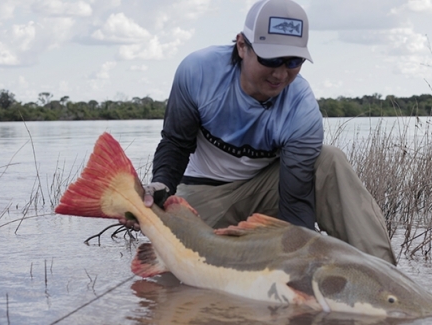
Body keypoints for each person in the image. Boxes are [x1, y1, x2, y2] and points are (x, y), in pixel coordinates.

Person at [129, 0, 397, 265]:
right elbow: (176, 143)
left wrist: (297, 260)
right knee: (175, 274)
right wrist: (161, 185)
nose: (281, 74)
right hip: (203, 191)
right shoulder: (198, 72)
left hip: (265, 191)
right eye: (271, 59)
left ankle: (384, 277)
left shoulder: (302, 109)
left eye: (293, 61)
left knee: (329, 159)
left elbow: (295, 204)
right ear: (242, 46)